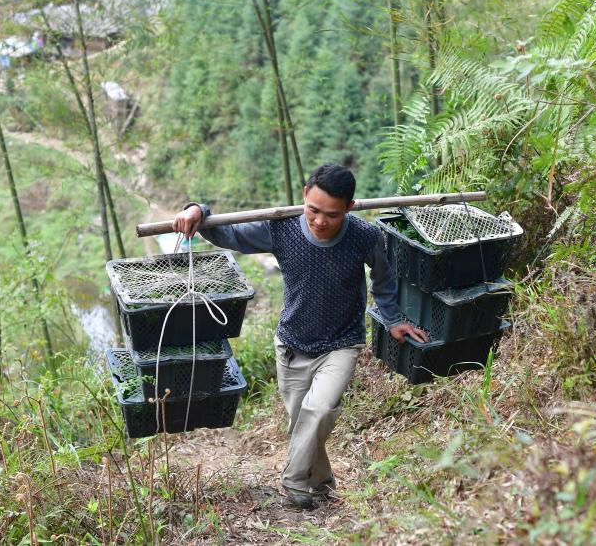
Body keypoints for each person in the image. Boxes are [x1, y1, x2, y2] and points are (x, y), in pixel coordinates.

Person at [173, 163, 428, 509]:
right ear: (305, 196)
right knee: (303, 425)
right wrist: (198, 211)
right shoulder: (281, 230)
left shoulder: (364, 237)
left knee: (319, 411)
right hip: (292, 344)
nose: (320, 221)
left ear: (350, 208)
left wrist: (393, 318)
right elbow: (228, 234)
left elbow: (382, 280)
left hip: (342, 343)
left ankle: (293, 480)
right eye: (314, 209)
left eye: (332, 215)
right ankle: (322, 485)